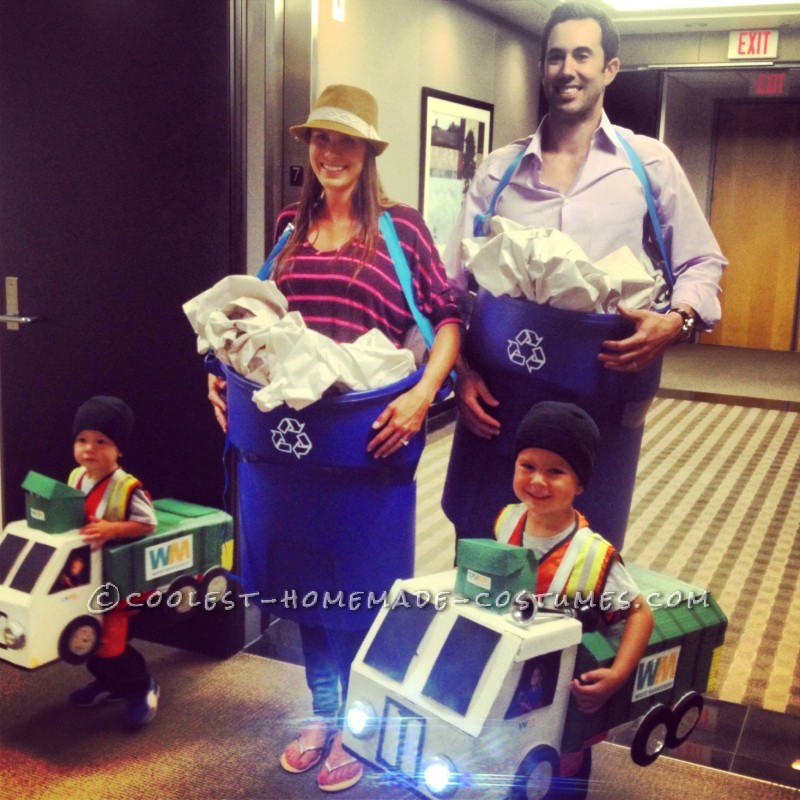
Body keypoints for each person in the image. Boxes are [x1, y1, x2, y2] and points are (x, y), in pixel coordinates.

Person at [208, 85, 461, 792]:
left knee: (360, 588)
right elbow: (256, 318)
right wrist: (224, 371)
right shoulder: (292, 226)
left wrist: (419, 397)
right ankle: (323, 712)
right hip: (290, 446)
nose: (330, 154)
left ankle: (362, 720)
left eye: (345, 141)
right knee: (302, 585)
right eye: (320, 140)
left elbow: (446, 318)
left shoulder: (401, 230)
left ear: (369, 152)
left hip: (364, 439)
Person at [441, 1, 727, 544]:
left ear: (609, 69)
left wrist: (679, 319)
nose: (567, 69)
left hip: (601, 388)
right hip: (501, 390)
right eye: (555, 56)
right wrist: (461, 372)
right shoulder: (499, 171)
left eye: (582, 55)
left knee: (581, 554)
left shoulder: (649, 166)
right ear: (542, 67)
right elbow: (454, 288)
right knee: (484, 542)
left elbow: (701, 261)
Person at [496, 400, 654, 797]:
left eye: (556, 471)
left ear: (580, 483)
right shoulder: (506, 520)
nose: (537, 481)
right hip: (512, 681)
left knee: (561, 773)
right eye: (527, 466)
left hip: (565, 695)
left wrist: (617, 676)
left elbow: (640, 613)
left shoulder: (595, 555)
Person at [66, 395, 160, 728]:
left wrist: (112, 529)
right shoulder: (76, 477)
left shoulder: (127, 487)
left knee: (112, 644)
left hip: (119, 581)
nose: (88, 448)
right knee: (89, 640)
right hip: (85, 579)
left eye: (101, 441)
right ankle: (108, 683)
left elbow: (148, 524)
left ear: (118, 449)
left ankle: (139, 686)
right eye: (82, 440)